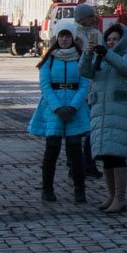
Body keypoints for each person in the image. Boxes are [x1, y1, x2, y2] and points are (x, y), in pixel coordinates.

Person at [27, 25, 91, 203]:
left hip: (74, 108)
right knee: (52, 149)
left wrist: (73, 106)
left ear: (73, 38)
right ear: (57, 38)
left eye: (67, 36)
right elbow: (45, 86)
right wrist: (57, 107)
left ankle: (80, 190)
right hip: (52, 108)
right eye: (61, 36)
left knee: (75, 150)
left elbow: (85, 84)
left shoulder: (80, 58)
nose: (64, 40)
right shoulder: (49, 58)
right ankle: (47, 189)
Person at [79, 22, 127, 214]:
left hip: (119, 112)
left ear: (123, 41)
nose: (111, 42)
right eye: (109, 39)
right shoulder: (100, 59)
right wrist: (88, 54)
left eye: (115, 39)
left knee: (117, 155)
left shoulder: (126, 56)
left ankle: (120, 197)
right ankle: (111, 195)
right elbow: (85, 72)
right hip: (101, 112)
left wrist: (107, 53)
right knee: (105, 155)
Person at [69, 3, 105, 179]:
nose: (93, 19)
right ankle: (73, 165)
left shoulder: (96, 34)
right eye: (90, 16)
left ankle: (90, 163)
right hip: (76, 87)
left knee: (93, 128)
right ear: (81, 17)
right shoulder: (72, 33)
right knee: (75, 128)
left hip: (92, 86)